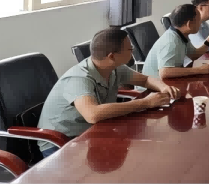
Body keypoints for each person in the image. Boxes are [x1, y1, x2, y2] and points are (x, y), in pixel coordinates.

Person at [36, 28, 180, 158]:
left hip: (91, 132)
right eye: (130, 49)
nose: (133, 51)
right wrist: (145, 103)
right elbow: (92, 114)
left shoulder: (114, 67)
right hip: (61, 142)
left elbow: (146, 79)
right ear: (112, 56)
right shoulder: (79, 78)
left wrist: (164, 87)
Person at [143, 4, 209, 80]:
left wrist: (208, 41)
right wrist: (200, 70)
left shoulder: (181, 34)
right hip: (153, 85)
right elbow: (165, 72)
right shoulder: (171, 41)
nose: (200, 23)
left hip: (166, 82)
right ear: (189, 24)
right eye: (199, 20)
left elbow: (193, 55)